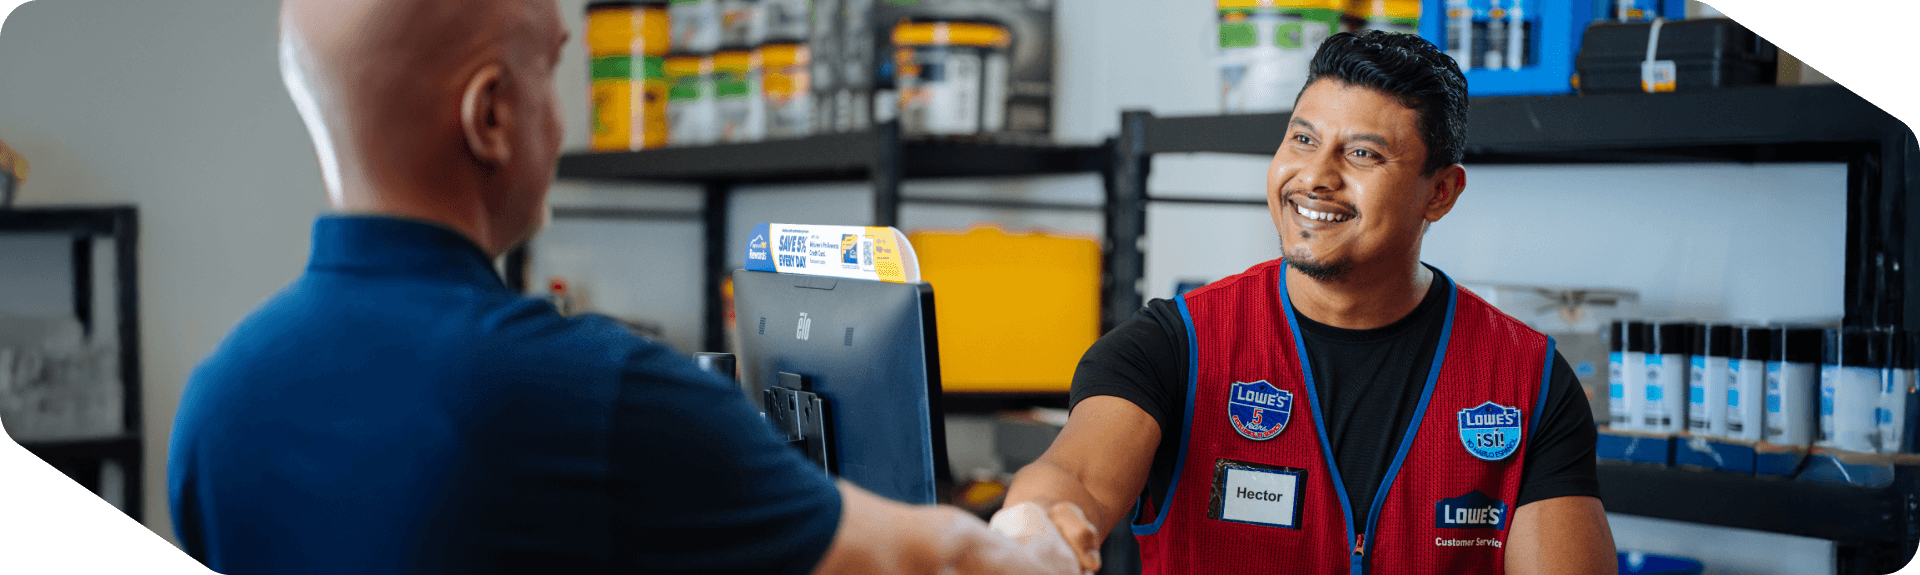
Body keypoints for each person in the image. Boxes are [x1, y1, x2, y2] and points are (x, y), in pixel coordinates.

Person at [164, 0, 1100, 573]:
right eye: (550, 71)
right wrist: (1028, 539)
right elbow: (932, 565)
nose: (560, 116)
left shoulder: (219, 400)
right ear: (491, 116)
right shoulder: (592, 393)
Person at [991, 31, 1617, 574]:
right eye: (1302, 140)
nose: (1316, 176)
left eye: (1363, 153)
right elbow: (1075, 475)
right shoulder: (1175, 346)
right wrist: (1033, 532)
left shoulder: (1525, 379)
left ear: (1440, 193)